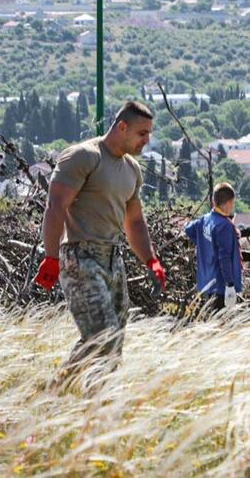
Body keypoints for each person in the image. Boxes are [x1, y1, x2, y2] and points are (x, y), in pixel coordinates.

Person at [33, 101, 167, 371]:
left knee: (113, 344)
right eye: (142, 133)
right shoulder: (83, 156)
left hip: (113, 260)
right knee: (103, 338)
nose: (146, 140)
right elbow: (55, 205)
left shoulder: (132, 170)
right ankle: (59, 388)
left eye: (149, 134)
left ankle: (80, 393)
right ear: (122, 127)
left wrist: (151, 260)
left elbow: (135, 221)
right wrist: (52, 258)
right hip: (80, 258)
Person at [185, 183, 242, 312]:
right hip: (221, 285)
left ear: (213, 201)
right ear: (229, 202)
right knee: (221, 321)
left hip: (206, 281)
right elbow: (224, 257)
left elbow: (187, 229)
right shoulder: (224, 225)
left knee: (210, 318)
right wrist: (230, 284)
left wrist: (202, 245)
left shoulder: (204, 220)